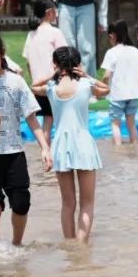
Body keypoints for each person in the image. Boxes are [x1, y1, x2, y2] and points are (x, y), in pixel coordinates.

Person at [0, 29, 52, 246]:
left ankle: (17, 244)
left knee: (21, 202)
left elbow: (32, 119)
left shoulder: (15, 82)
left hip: (14, 152)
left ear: (1, 53)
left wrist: (45, 148)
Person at [32, 46, 109, 243]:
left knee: (68, 203)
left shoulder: (50, 88)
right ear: (77, 65)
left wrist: (53, 75)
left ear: (56, 64)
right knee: (87, 203)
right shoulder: (85, 85)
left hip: (60, 146)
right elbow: (106, 90)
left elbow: (33, 85)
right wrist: (88, 75)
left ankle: (68, 243)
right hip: (83, 144)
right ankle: (81, 246)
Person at [23, 0, 68, 140]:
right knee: (54, 122)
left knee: (46, 123)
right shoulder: (55, 33)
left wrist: (35, 80)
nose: (57, 14)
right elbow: (65, 58)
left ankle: (44, 154)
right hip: (53, 85)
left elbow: (28, 63)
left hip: (37, 87)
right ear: (49, 12)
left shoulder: (31, 35)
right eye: (56, 11)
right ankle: (51, 155)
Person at [100, 19, 138, 145]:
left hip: (117, 95)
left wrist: (101, 88)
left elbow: (107, 75)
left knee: (115, 125)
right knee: (131, 124)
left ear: (112, 36)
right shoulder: (135, 51)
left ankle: (118, 151)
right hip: (133, 94)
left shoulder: (111, 52)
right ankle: (134, 147)